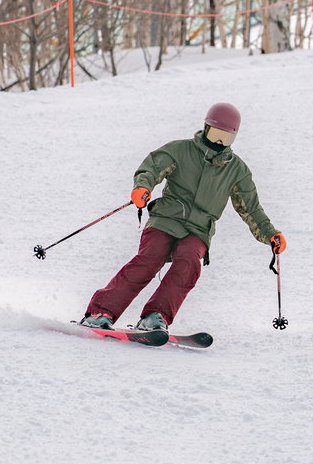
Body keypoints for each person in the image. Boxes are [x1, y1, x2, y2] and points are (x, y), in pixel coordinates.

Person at [81, 102, 285, 331]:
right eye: (216, 134)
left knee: (189, 262)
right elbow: (152, 168)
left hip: (199, 230)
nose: (219, 142)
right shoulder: (181, 150)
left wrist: (270, 235)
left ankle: (155, 316)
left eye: (225, 138)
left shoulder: (237, 170)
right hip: (166, 218)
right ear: (206, 128)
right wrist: (142, 188)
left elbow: (251, 209)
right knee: (150, 258)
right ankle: (101, 312)